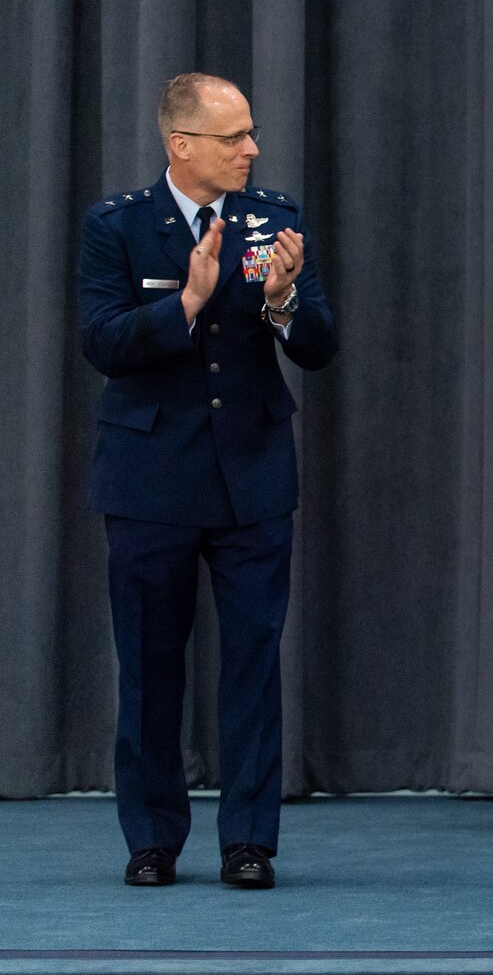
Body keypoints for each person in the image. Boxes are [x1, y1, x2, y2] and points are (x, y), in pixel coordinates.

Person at [77, 73, 338, 889]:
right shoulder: (117, 226)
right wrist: (185, 304)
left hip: (252, 475)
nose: (252, 150)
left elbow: (320, 346)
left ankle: (248, 841)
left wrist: (287, 299)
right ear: (181, 144)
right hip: (151, 477)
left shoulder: (278, 220)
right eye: (235, 138)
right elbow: (102, 342)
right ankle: (153, 838)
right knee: (150, 664)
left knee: (253, 663)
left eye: (253, 134)